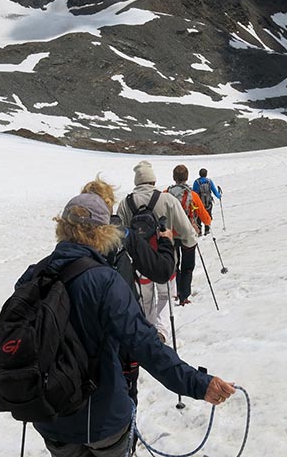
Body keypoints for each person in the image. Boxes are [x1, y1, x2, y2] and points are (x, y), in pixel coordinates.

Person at [18, 192, 235, 457]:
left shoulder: (33, 275)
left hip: (50, 416)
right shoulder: (104, 281)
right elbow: (146, 345)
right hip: (103, 418)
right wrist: (199, 384)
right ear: (103, 232)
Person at [81, 176, 176, 404]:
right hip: (123, 331)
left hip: (82, 337)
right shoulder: (122, 235)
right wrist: (165, 242)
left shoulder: (72, 241)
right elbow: (162, 271)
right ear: (109, 205)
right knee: (125, 394)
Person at [117, 161, 198, 342]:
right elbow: (186, 230)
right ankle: (162, 332)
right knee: (165, 296)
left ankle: (149, 333)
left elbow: (119, 233)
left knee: (146, 301)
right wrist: (189, 245)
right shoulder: (167, 199)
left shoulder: (125, 203)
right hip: (164, 260)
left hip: (139, 263)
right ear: (153, 180)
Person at [166, 164, 211, 306]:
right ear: (186, 178)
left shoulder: (165, 193)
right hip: (188, 235)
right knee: (188, 266)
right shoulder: (193, 195)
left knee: (175, 264)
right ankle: (184, 296)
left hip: (171, 234)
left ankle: (176, 291)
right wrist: (206, 222)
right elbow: (205, 217)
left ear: (174, 177)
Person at [192, 168, 222, 235]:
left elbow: (194, 194)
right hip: (208, 203)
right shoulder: (209, 181)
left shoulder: (196, 182)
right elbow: (215, 192)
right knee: (208, 215)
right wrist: (219, 195)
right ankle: (207, 230)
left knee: (199, 218)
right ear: (206, 174)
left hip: (199, 204)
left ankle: (199, 232)